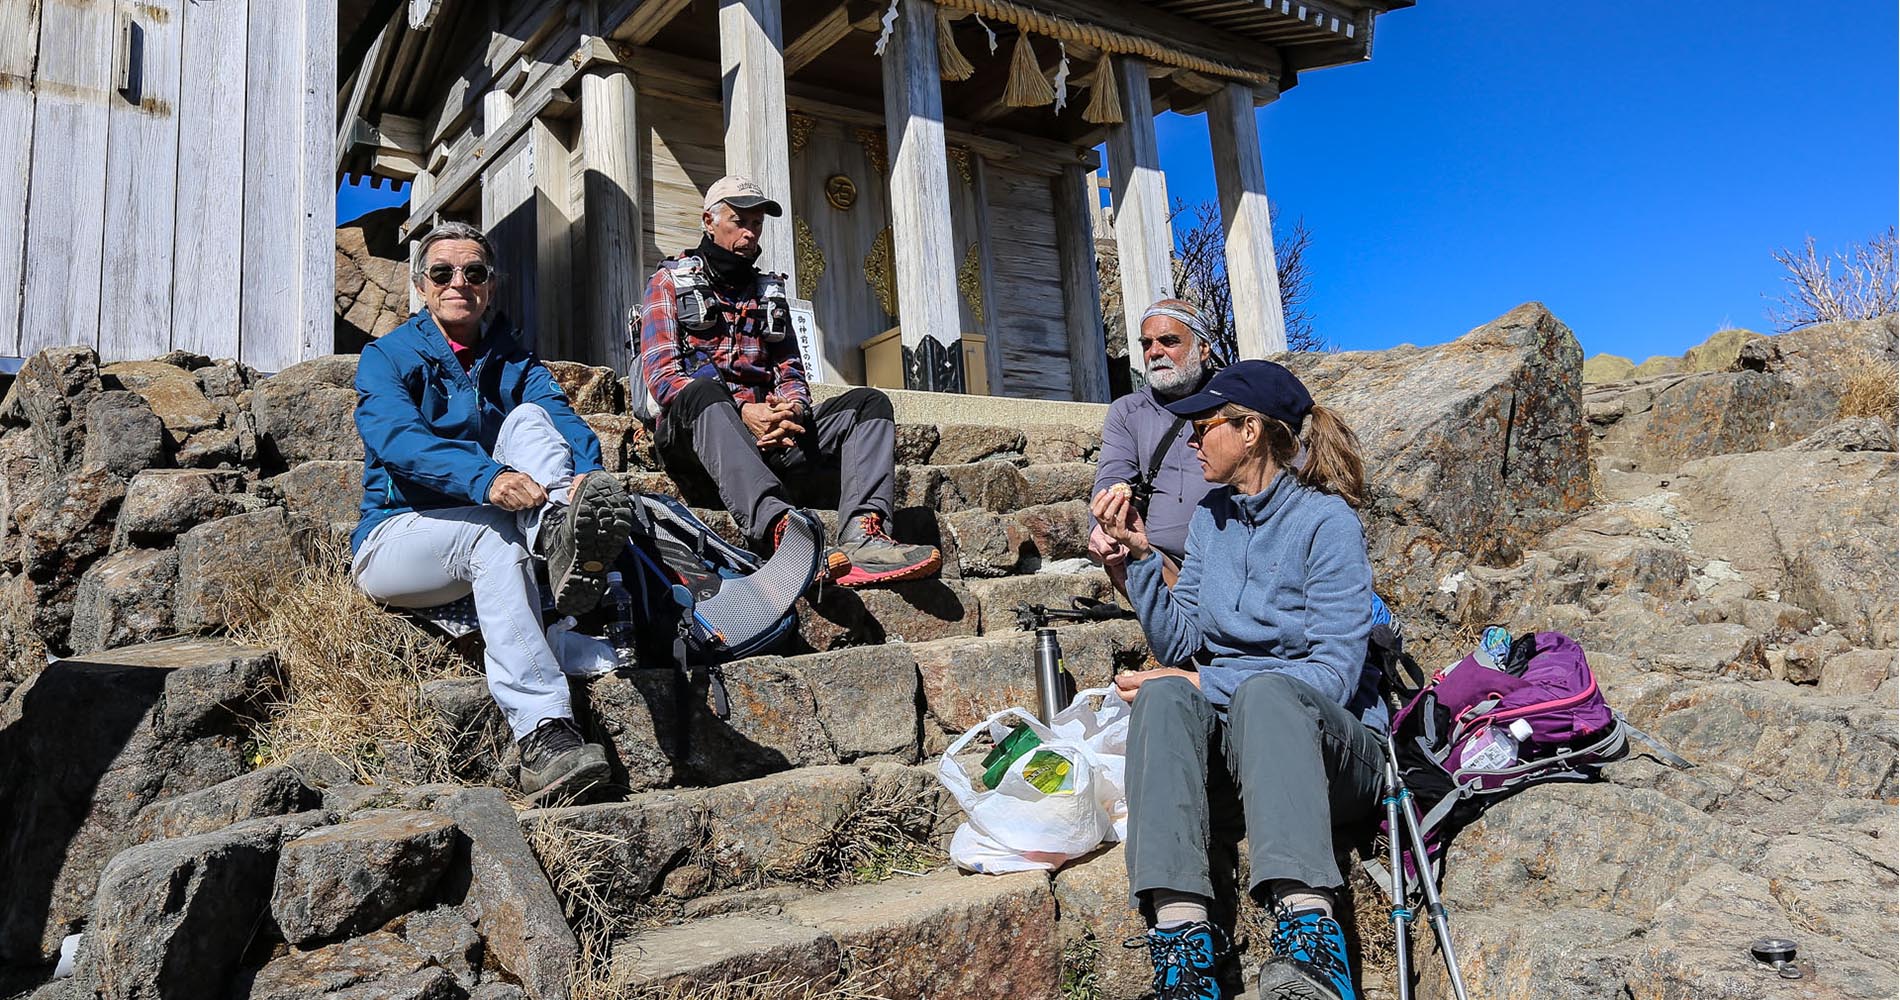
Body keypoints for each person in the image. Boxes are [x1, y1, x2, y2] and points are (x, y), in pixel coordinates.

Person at [1091, 360, 1384, 1000]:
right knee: (1165, 693)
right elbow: (1183, 642)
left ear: (1249, 430)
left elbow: (1333, 676)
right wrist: (1140, 560)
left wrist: (1214, 686)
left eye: (1204, 426)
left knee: (1266, 692)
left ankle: (1312, 942)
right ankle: (1183, 949)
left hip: (1332, 756)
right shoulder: (1210, 518)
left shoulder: (1327, 523)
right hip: (1247, 757)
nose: (1191, 440)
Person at [351, 220, 631, 797]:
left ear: (491, 285)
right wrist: (488, 479)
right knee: (493, 537)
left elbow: (563, 419)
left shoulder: (514, 360)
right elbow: (398, 440)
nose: (460, 282)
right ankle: (543, 733)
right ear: (422, 286)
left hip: (504, 521)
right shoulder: (387, 357)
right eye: (443, 273)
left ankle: (560, 530)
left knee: (532, 420)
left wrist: (584, 477)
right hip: (397, 537)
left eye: (474, 272)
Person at [636, 175, 940, 587]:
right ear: (709, 220)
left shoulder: (768, 294)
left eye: (756, 223)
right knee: (702, 389)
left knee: (869, 405)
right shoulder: (669, 282)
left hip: (767, 440)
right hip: (698, 438)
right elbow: (663, 376)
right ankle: (782, 534)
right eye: (738, 220)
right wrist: (744, 412)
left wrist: (789, 411)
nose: (749, 231)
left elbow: (791, 373)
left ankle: (863, 535)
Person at [1089, 300, 1230, 594]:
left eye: (1169, 341)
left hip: (1235, 556)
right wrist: (1101, 526)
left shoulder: (1235, 401)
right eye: (1147, 343)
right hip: (1164, 564)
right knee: (1120, 552)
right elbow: (1112, 475)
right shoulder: (1127, 411)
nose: (1155, 352)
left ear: (1203, 349)